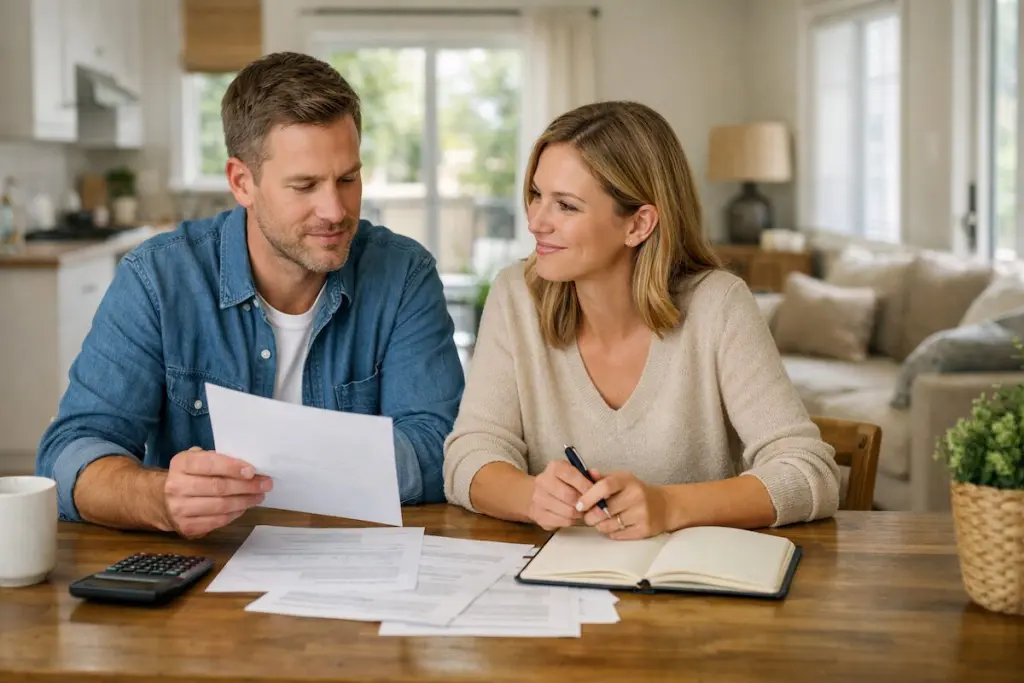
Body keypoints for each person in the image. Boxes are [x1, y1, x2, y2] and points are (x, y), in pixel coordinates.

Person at [36, 52, 465, 538]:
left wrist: (292, 466)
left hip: (362, 563)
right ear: (242, 182)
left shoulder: (403, 274)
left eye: (348, 179)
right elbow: (71, 451)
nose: (335, 209)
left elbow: (441, 449)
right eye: (304, 185)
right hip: (203, 571)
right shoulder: (158, 279)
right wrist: (159, 498)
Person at [443, 101, 840, 539]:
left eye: (566, 206)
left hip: (692, 593)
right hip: (556, 586)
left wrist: (669, 506)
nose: (536, 221)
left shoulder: (718, 305)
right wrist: (530, 494)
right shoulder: (515, 295)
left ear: (639, 224)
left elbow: (809, 472)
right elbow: (469, 455)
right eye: (537, 195)